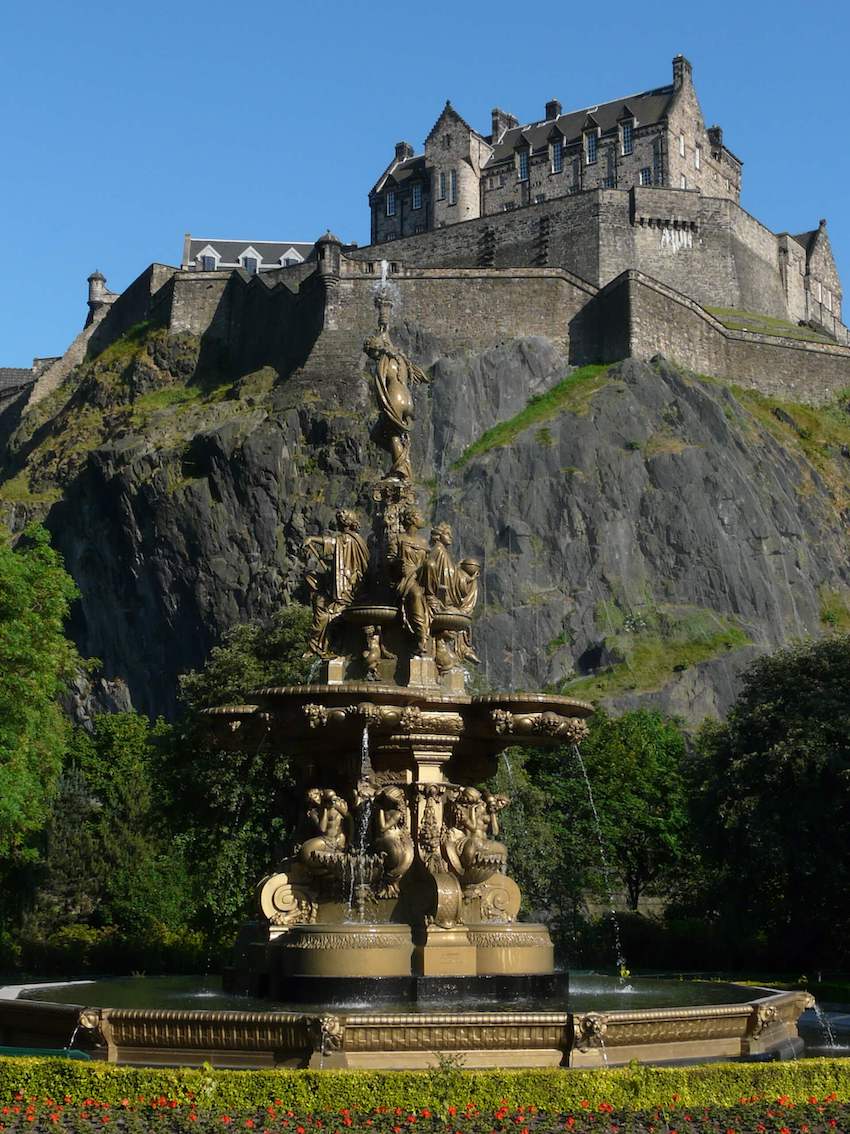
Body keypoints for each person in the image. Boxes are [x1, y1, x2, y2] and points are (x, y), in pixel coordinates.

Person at [303, 509, 369, 658]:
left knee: (330, 615)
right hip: (348, 584)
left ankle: (327, 648)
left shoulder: (347, 539)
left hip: (347, 586)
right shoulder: (356, 539)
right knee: (324, 610)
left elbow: (333, 543)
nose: (338, 522)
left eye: (340, 519)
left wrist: (313, 539)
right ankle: (326, 647)